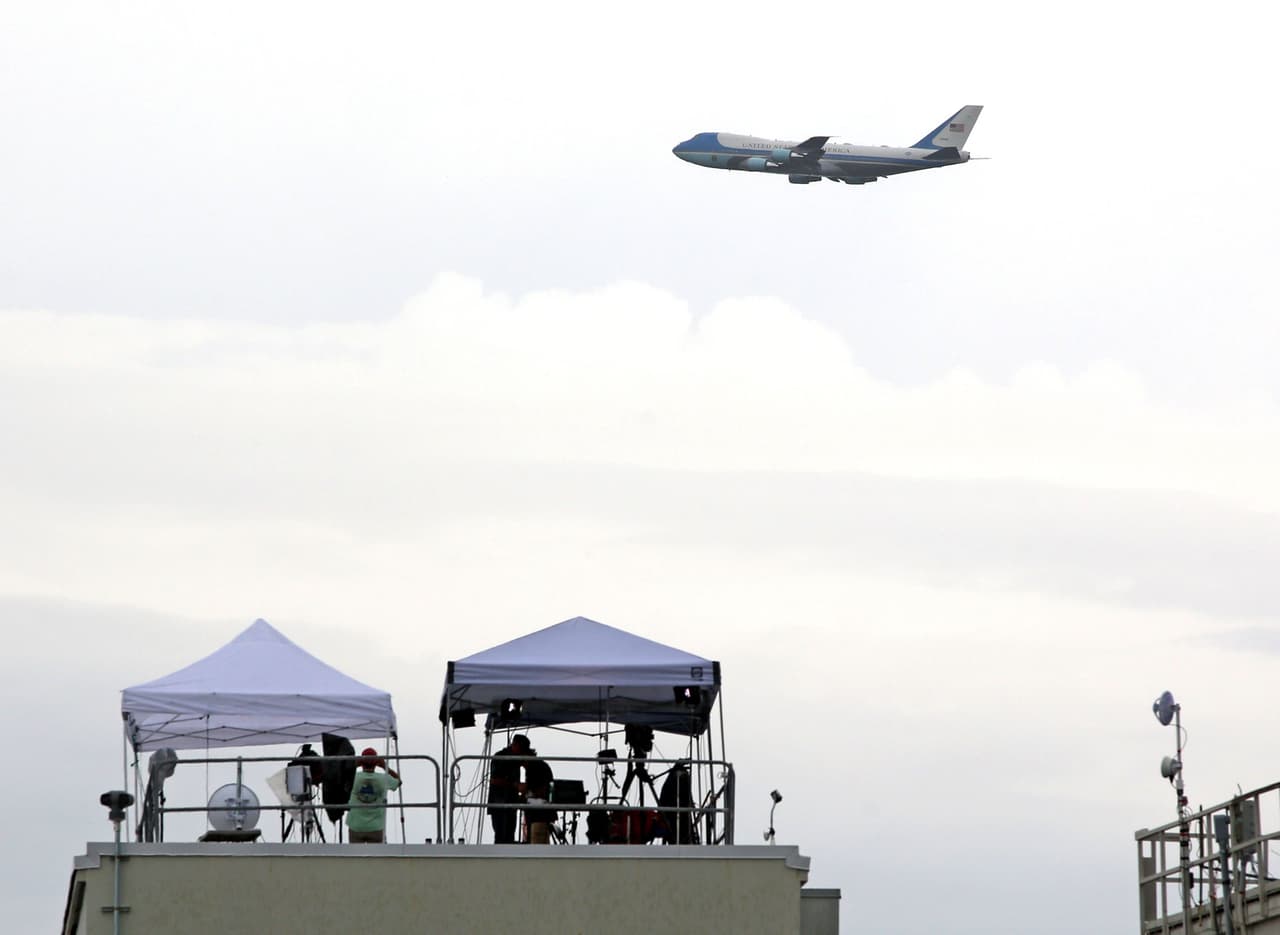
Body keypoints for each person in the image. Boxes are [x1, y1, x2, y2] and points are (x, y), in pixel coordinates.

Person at [346, 747, 401, 843]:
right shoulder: (383, 779)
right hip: (376, 827)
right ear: (377, 763)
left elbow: (340, 775)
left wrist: (354, 765)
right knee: (376, 856)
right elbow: (398, 781)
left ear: (361, 762)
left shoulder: (352, 777)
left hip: (355, 825)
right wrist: (384, 766)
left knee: (355, 856)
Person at [487, 734, 530, 844]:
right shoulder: (500, 757)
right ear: (515, 745)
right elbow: (494, 780)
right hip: (499, 801)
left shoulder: (517, 758)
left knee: (510, 835)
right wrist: (515, 785)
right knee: (501, 836)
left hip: (511, 801)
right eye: (522, 749)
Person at [522, 749, 555, 843]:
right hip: (540, 813)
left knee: (537, 841)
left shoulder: (534, 767)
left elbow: (542, 790)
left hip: (538, 814)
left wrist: (524, 789)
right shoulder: (540, 765)